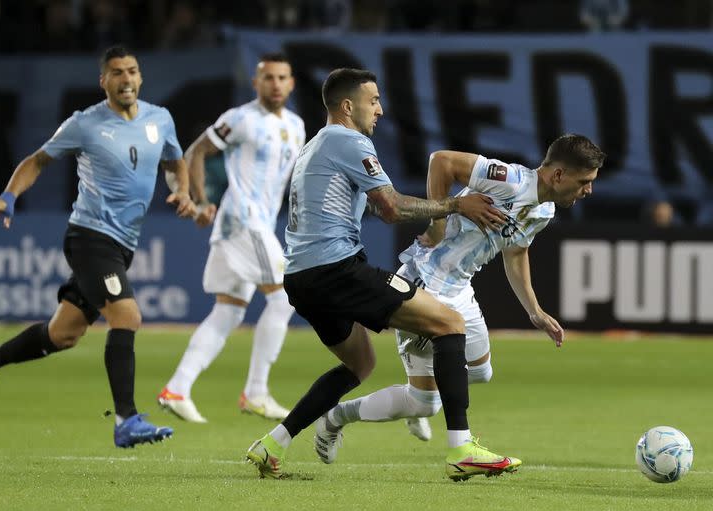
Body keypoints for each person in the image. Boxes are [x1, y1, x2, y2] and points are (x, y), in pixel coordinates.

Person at [245, 67, 519, 483]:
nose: (380, 109)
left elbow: (372, 205)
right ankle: (462, 448)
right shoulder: (349, 141)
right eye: (373, 101)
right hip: (335, 269)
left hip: (301, 276)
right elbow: (390, 207)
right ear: (347, 106)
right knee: (449, 323)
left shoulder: (316, 145)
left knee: (360, 362)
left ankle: (272, 443)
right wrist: (454, 206)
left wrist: (429, 221)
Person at [316, 134, 605, 459]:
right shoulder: (510, 180)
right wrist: (437, 224)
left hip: (460, 289)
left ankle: (417, 401)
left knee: (481, 372)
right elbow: (442, 161)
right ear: (558, 175)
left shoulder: (544, 210)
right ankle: (335, 418)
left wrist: (534, 311)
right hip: (424, 281)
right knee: (425, 403)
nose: (588, 190)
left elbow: (516, 252)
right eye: (585, 181)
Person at [0, 46, 195, 448]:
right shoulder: (84, 124)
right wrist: (8, 197)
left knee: (63, 334)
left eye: (132, 71)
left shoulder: (161, 119)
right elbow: (38, 160)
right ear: (103, 81)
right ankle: (126, 420)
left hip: (124, 244)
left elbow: (175, 162)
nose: (126, 79)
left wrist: (184, 192)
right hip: (89, 238)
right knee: (128, 317)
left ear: (141, 77)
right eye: (117, 73)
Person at [158, 53, 305, 423]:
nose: (274, 84)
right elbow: (196, 152)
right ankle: (256, 392)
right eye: (267, 77)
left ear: (291, 83)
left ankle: (177, 387)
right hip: (243, 221)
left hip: (257, 225)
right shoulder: (239, 119)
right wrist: (198, 199)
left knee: (228, 311)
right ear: (255, 83)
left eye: (281, 77)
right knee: (286, 298)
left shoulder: (298, 126)